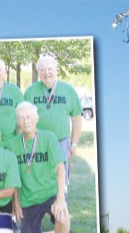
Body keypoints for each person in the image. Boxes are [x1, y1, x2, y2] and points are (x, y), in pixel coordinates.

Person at [9, 102, 71, 233]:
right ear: (17, 122)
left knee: (63, 215)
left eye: (28, 117)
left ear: (36, 118)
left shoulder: (48, 137)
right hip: (28, 199)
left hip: (49, 193)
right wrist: (17, 204)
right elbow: (15, 178)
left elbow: (60, 167)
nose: (25, 121)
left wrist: (60, 198)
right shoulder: (13, 144)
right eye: (21, 118)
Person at [23, 55, 83, 185]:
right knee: (39, 177)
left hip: (60, 142)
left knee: (61, 179)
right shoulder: (30, 91)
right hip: (37, 143)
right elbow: (23, 117)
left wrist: (74, 143)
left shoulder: (68, 90)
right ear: (38, 72)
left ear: (56, 69)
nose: (46, 73)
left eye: (49, 69)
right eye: (42, 70)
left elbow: (77, 119)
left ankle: (62, 202)